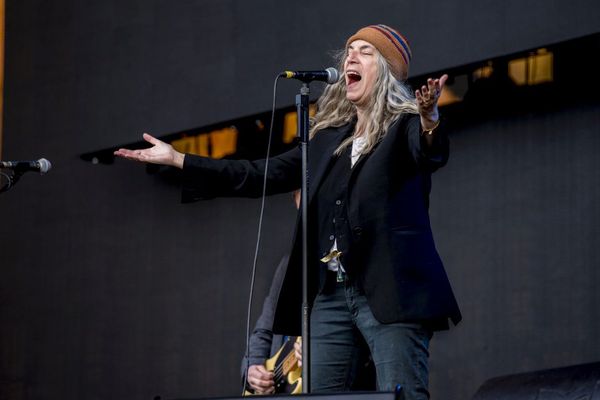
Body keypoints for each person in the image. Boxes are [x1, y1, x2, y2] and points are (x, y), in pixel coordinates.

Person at [115, 24, 461, 400]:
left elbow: (429, 151)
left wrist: (429, 119)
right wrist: (180, 159)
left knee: (403, 394)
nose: (351, 57)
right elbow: (258, 174)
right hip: (329, 295)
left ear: (387, 71)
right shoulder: (327, 139)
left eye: (365, 51)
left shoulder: (406, 126)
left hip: (389, 292)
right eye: (349, 51)